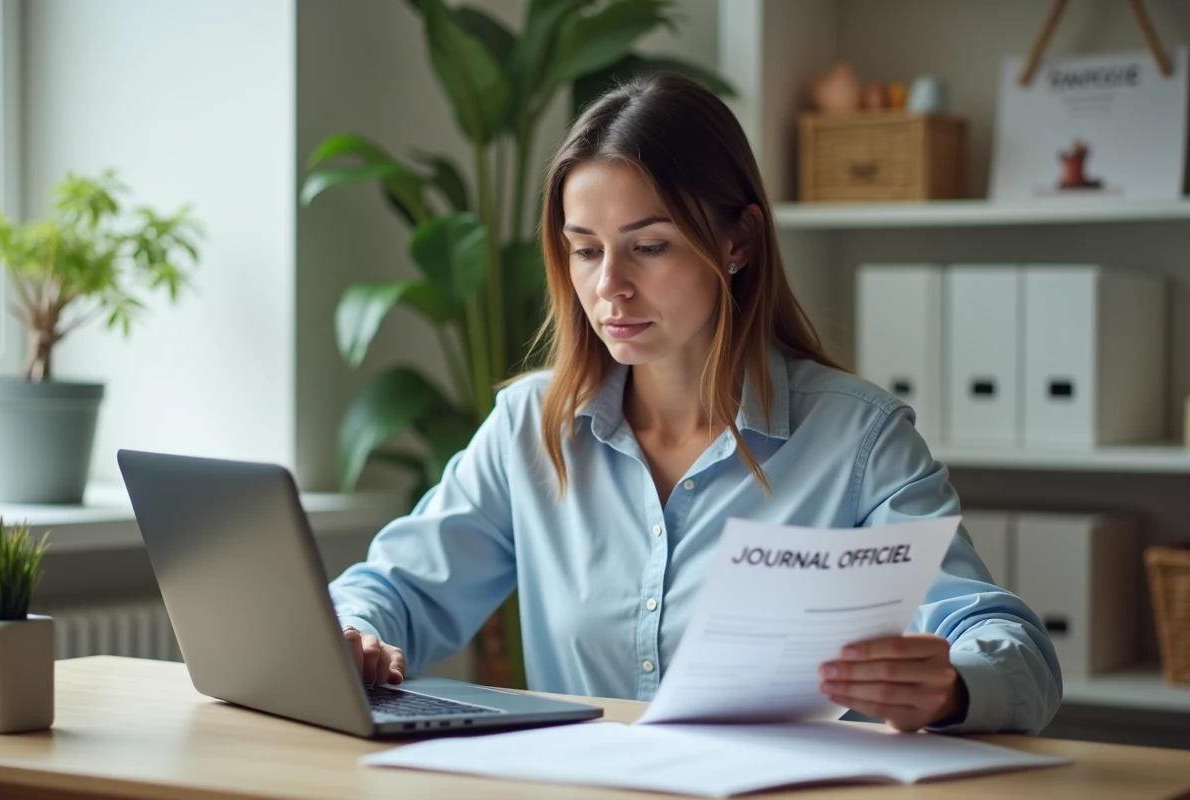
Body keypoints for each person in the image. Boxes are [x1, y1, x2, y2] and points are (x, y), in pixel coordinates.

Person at [329, 73, 1062, 735]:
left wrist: (952, 685)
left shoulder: (859, 440)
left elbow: (1016, 652)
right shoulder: (531, 426)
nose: (609, 287)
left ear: (738, 241)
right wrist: (353, 632)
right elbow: (393, 589)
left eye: (649, 247)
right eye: (586, 250)